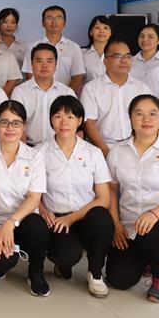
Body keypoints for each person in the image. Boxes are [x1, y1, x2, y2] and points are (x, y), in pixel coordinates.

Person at [106, 95, 159, 303]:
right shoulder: (117, 152)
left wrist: (154, 214)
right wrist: (116, 224)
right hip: (129, 225)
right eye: (139, 114)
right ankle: (148, 258)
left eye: (152, 114)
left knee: (154, 232)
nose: (146, 119)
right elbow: (111, 190)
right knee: (119, 280)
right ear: (130, 118)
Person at [38, 96, 114, 298]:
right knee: (65, 255)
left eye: (70, 117)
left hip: (87, 215)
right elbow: (32, 193)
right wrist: (43, 211)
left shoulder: (93, 153)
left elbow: (104, 198)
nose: (64, 122)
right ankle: (63, 264)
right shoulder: (39, 153)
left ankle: (95, 274)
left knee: (102, 218)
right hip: (57, 217)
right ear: (51, 120)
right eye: (58, 116)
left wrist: (71, 218)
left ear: (80, 120)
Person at [0, 101, 51, 296]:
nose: (10, 128)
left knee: (38, 226)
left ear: (24, 126)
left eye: (16, 123)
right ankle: (2, 259)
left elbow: (34, 198)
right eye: (4, 122)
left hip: (22, 220)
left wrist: (11, 224)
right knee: (0, 265)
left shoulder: (34, 157)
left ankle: (36, 273)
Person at [82, 39, 152, 156]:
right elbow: (89, 123)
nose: (124, 60)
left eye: (128, 56)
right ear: (105, 61)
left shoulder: (142, 88)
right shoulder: (91, 88)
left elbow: (151, 120)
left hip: (136, 146)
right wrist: (105, 151)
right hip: (103, 147)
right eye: (118, 56)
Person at [10, 44, 75, 146]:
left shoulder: (67, 92)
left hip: (60, 147)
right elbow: (16, 125)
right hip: (30, 147)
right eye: (39, 61)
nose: (44, 65)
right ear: (31, 64)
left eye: (49, 61)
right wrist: (24, 151)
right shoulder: (20, 92)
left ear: (56, 65)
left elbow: (76, 125)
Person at [22, 5, 86, 96]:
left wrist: (65, 97)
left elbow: (77, 77)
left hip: (65, 99)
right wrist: (43, 95)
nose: (54, 21)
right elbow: (30, 75)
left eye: (58, 18)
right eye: (49, 18)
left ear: (64, 23)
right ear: (43, 23)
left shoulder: (74, 47)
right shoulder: (33, 47)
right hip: (38, 96)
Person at [82, 15, 112, 84]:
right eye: (97, 27)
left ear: (110, 33)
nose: (101, 31)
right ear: (91, 32)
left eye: (105, 28)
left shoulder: (117, 54)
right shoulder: (81, 54)